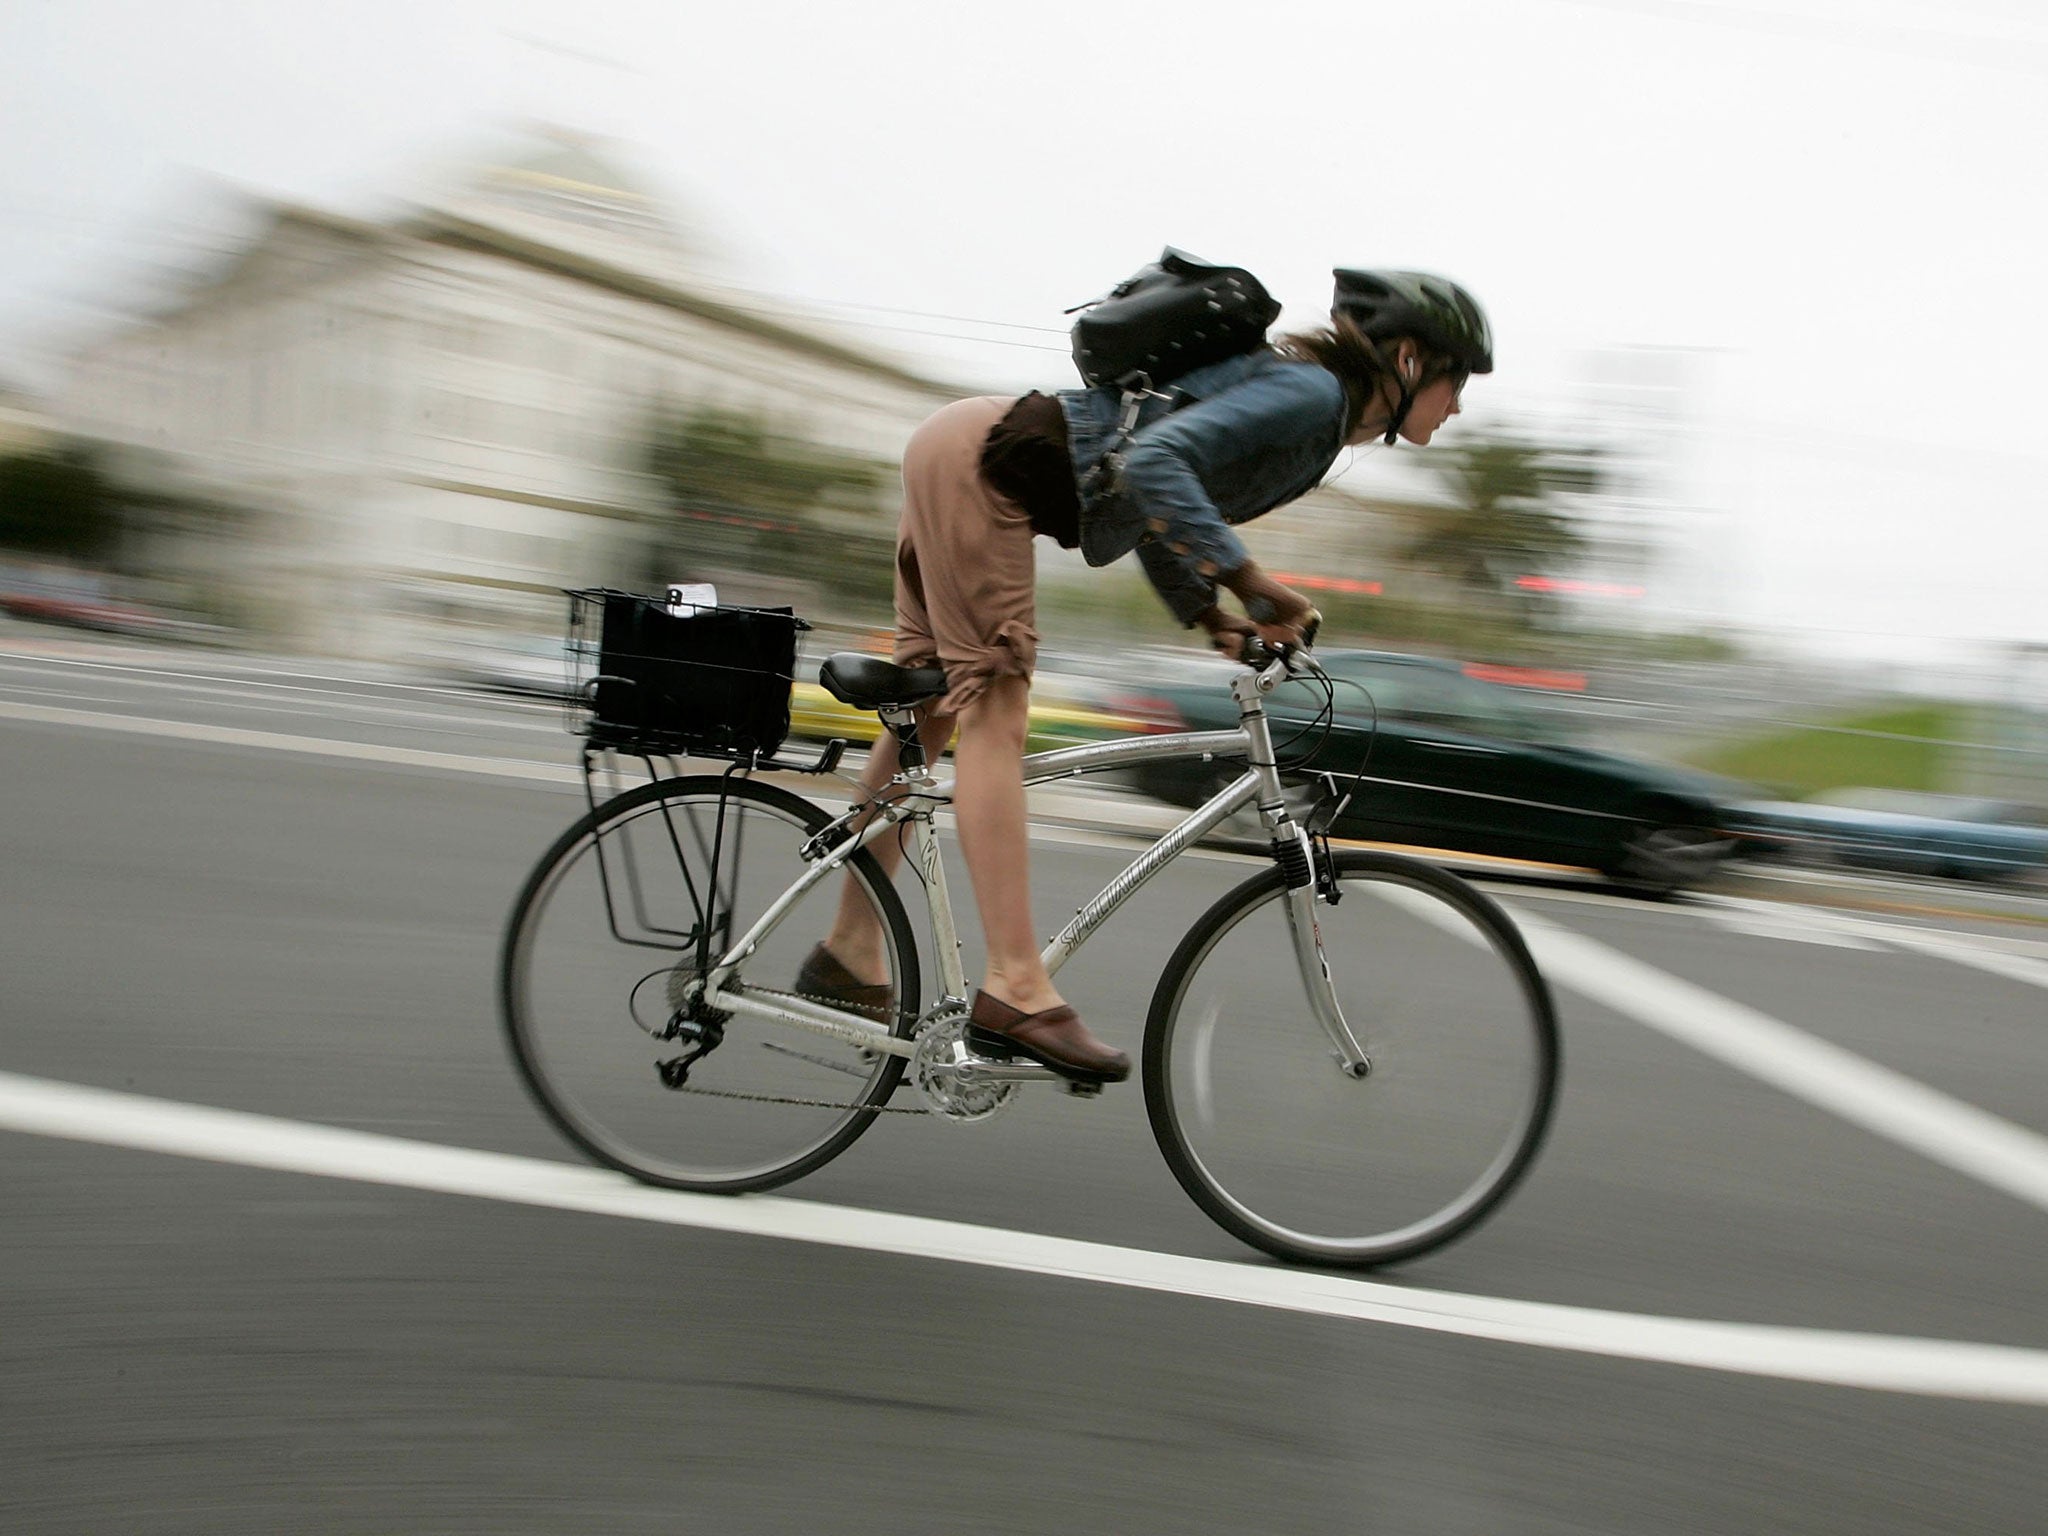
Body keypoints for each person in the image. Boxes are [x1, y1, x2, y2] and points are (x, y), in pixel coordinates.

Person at [795, 269, 1493, 1084]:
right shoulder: (1312, 399)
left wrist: (1213, 617)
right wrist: (1251, 582)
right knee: (995, 708)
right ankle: (1015, 984)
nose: (1458, 406)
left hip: (960, 446)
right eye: (1457, 381)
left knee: (930, 719)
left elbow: (1161, 494)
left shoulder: (1312, 415)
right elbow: (1159, 462)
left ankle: (848, 951)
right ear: (1408, 359)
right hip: (986, 465)